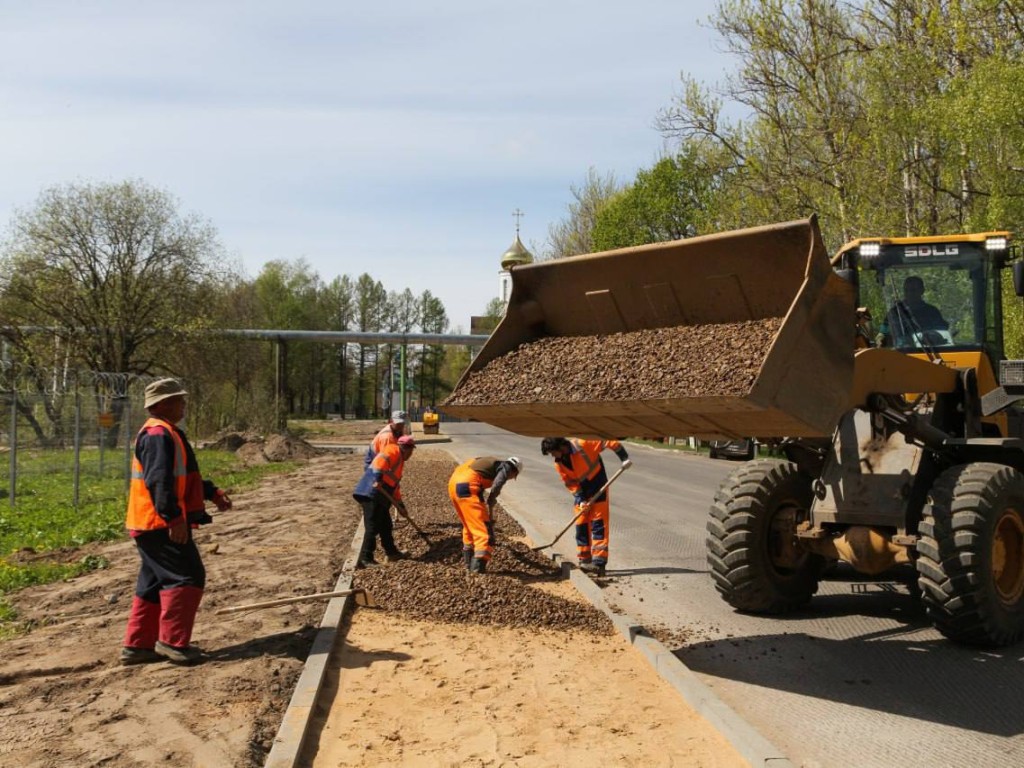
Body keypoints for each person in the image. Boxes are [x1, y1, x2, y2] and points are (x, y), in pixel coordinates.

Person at [121, 378, 233, 666]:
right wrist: (173, 518)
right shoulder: (158, 434)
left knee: (153, 582)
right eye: (178, 400)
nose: (183, 404)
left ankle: (138, 646)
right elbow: (159, 480)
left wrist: (212, 492)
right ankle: (172, 643)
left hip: (149, 522)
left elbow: (184, 475)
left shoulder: (167, 433)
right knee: (187, 576)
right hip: (158, 522)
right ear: (161, 405)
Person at [540, 437, 631, 576]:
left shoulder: (584, 444)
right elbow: (570, 483)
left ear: (562, 447)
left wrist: (624, 458)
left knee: (598, 525)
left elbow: (609, 441)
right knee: (581, 524)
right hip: (582, 494)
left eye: (553, 452)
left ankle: (599, 564)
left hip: (599, 487)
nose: (553, 456)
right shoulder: (559, 463)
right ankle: (585, 560)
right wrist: (581, 500)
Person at [447, 456, 523, 573]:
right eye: (513, 476)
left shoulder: (488, 462)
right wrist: (492, 497)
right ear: (514, 471)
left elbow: (478, 484)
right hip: (467, 487)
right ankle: (477, 572)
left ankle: (469, 565)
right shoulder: (506, 467)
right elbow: (498, 482)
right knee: (484, 532)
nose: (511, 478)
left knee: (470, 526)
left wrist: (485, 504)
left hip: (454, 486)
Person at [352, 434, 415, 568]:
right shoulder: (393, 450)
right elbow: (380, 462)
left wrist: (400, 505)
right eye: (412, 451)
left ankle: (392, 553)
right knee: (372, 527)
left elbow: (395, 485)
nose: (411, 454)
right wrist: (379, 479)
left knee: (386, 525)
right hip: (371, 492)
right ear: (407, 449)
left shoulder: (400, 460)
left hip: (382, 495)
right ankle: (365, 558)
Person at [879, 276, 948, 347]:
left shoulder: (932, 312)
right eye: (906, 290)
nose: (909, 293)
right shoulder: (895, 313)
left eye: (913, 290)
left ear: (922, 291)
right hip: (902, 354)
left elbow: (943, 332)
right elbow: (883, 334)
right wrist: (880, 340)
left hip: (931, 352)